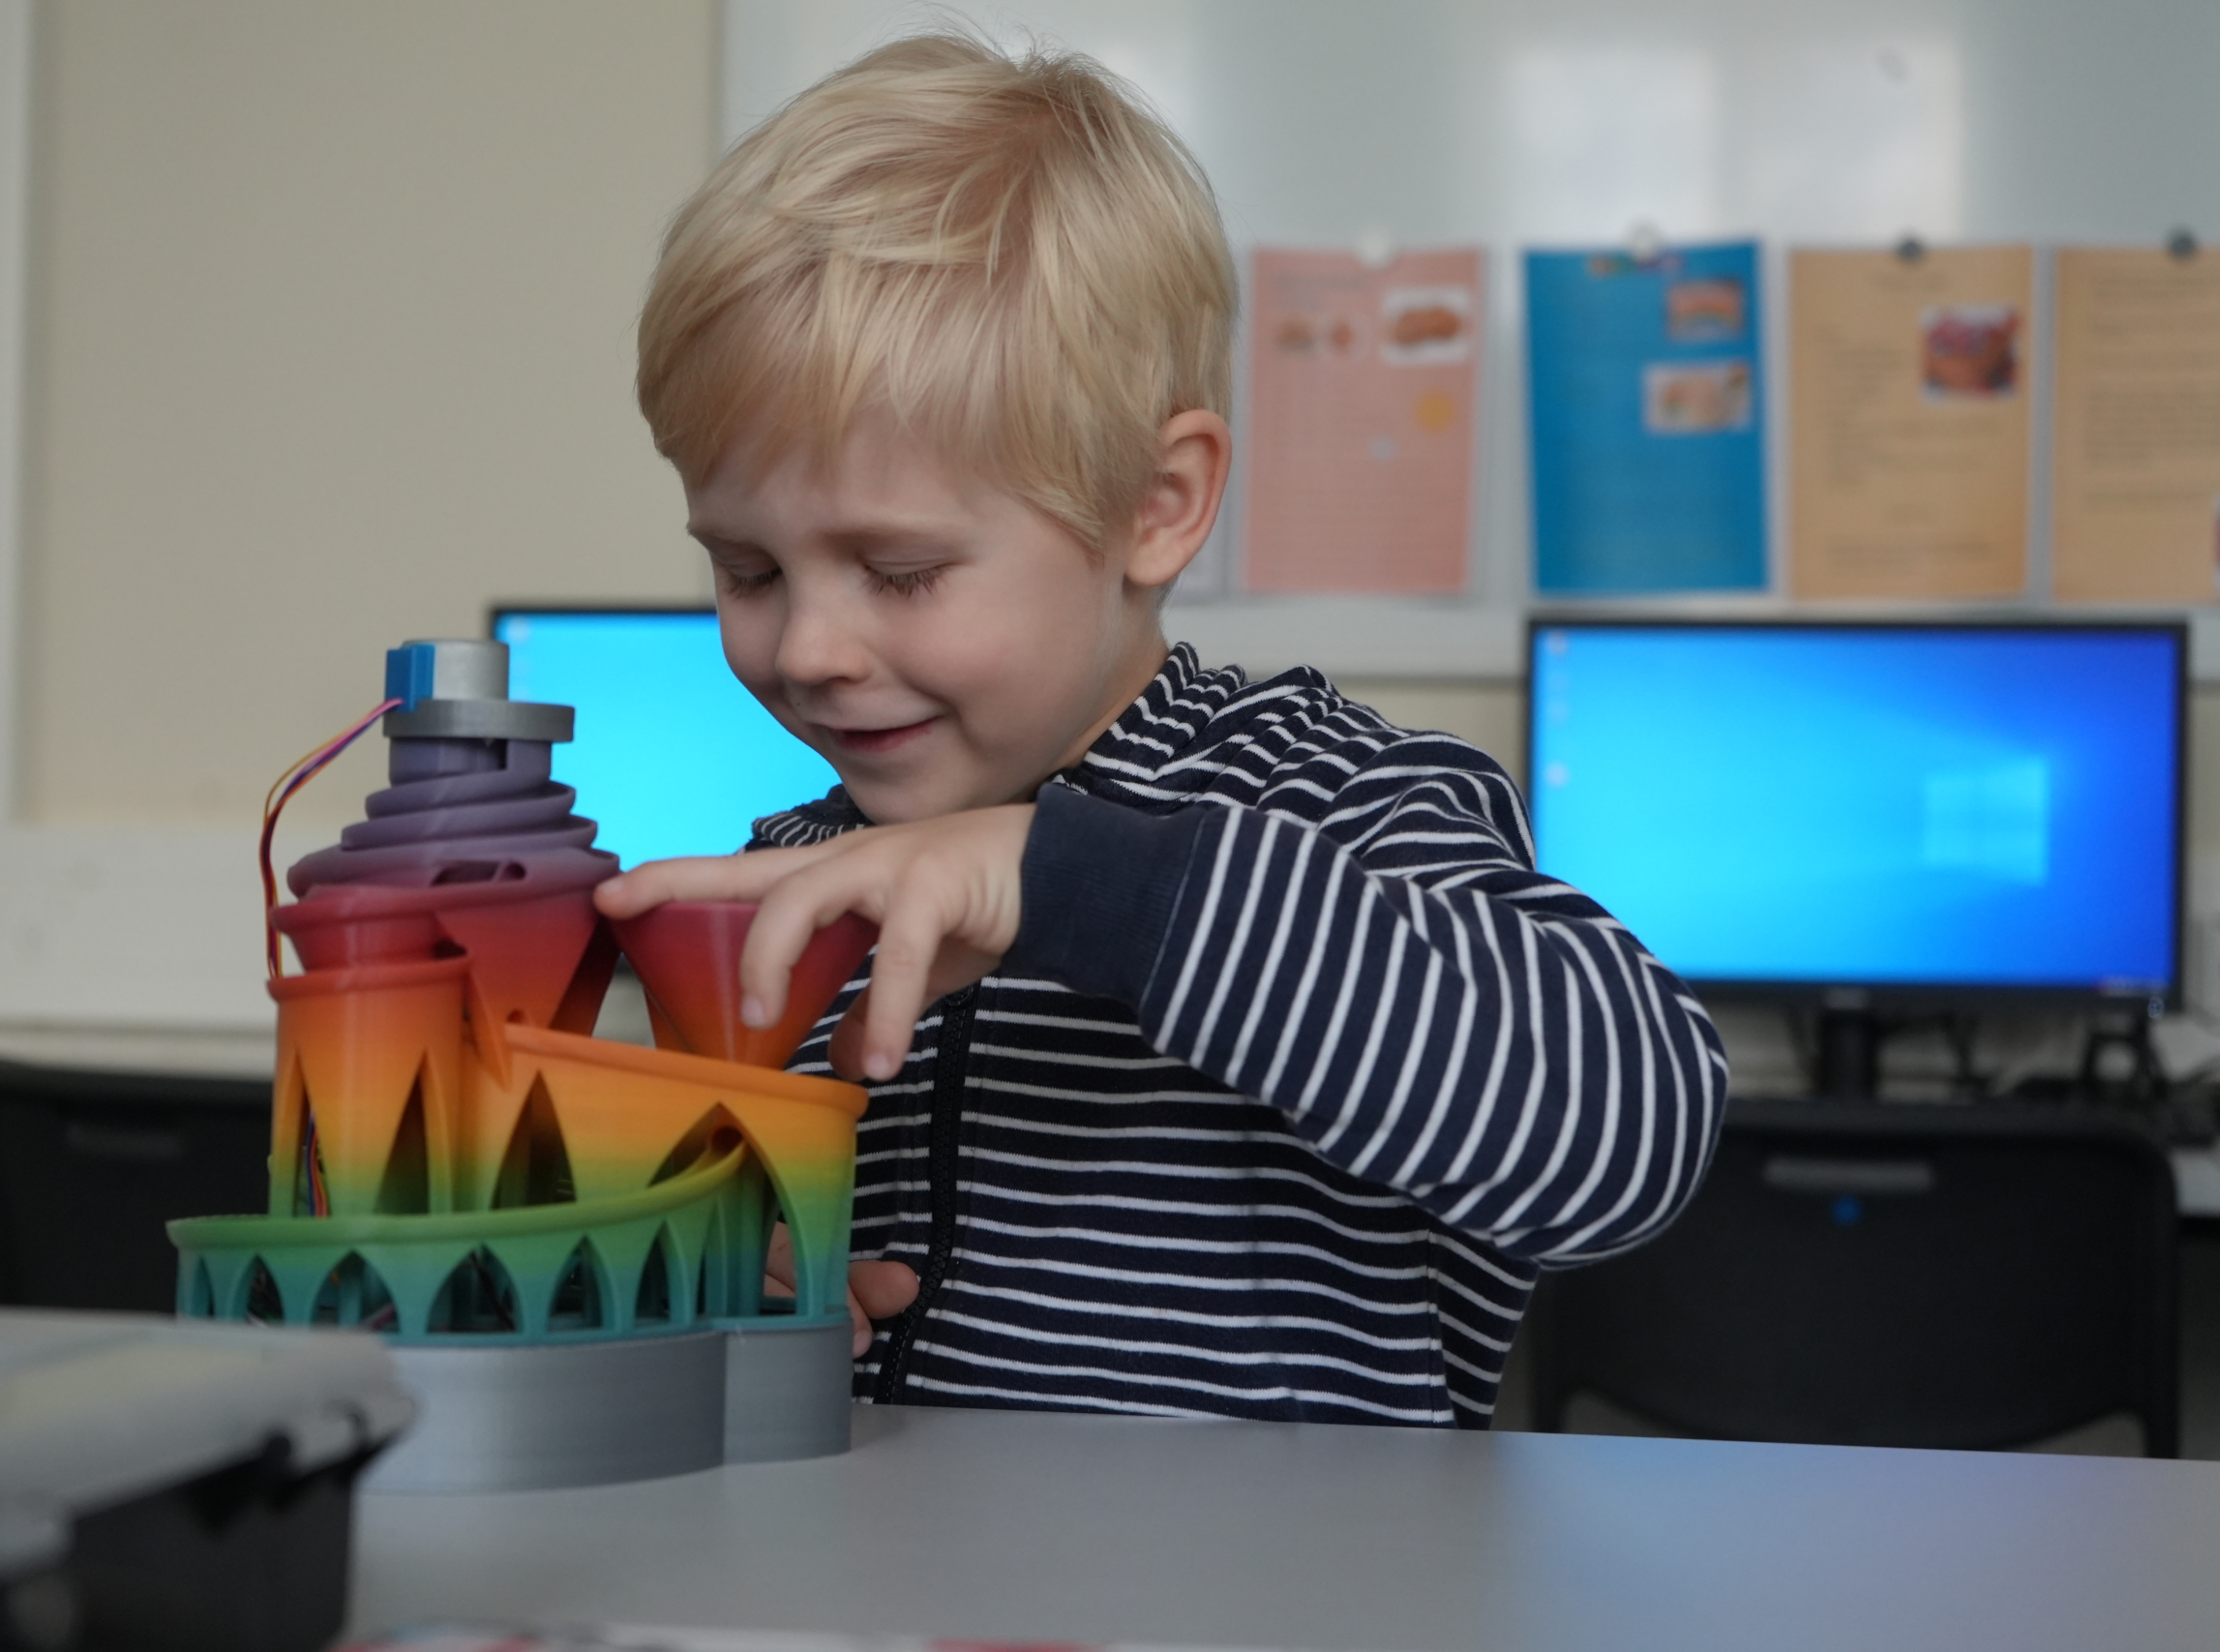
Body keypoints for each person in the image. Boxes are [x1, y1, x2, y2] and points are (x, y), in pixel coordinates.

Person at [593, 33, 1725, 1427]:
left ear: (1156, 504)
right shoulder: (796, 878)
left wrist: (1087, 886)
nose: (807, 649)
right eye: (749, 569)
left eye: (901, 572)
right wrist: (712, 1269)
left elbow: (1633, 1137)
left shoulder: (1344, 801)